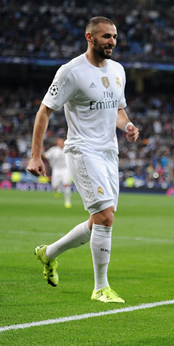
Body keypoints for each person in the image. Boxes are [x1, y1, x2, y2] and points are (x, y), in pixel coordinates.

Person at [27, 16, 139, 303]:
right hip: (82, 150)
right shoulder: (71, 72)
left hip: (108, 152)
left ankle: (48, 253)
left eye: (114, 37)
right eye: (105, 37)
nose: (112, 42)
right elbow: (44, 111)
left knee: (97, 222)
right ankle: (101, 287)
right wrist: (36, 155)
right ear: (90, 37)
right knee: (105, 217)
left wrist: (127, 126)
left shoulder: (118, 70)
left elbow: (118, 110)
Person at [43, 138, 72, 208]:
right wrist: (41, 152)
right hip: (56, 169)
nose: (60, 143)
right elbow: (46, 156)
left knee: (66, 184)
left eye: (62, 142)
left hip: (65, 169)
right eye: (59, 142)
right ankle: (57, 190)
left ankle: (67, 201)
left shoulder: (68, 149)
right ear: (56, 143)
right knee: (54, 186)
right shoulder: (53, 150)